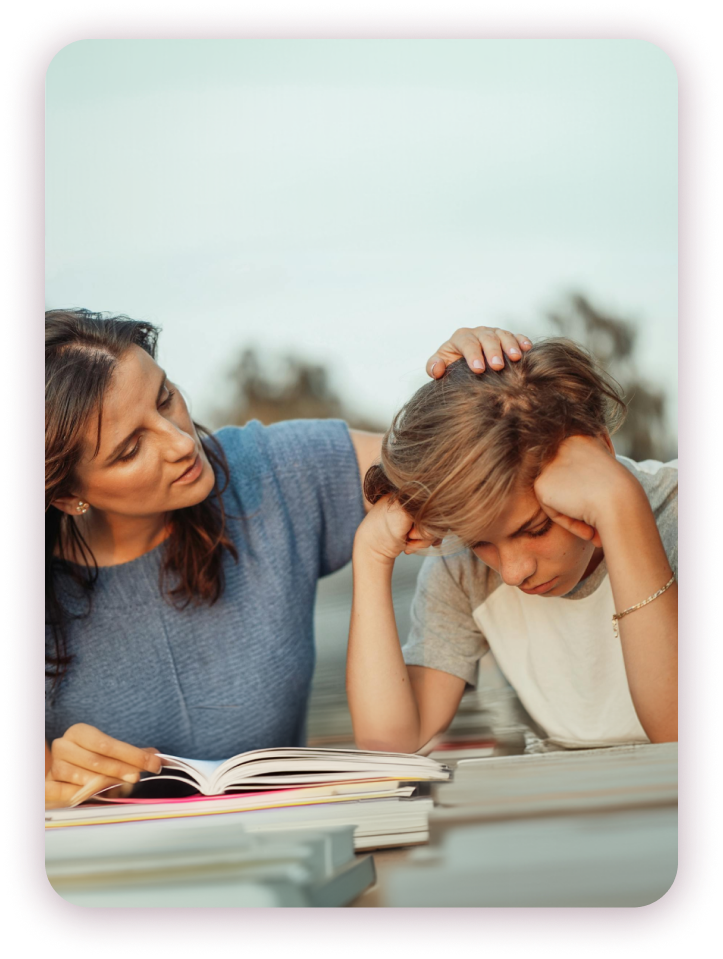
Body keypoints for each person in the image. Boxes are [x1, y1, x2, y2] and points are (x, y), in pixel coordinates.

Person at [44, 309, 532, 807]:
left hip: (289, 850)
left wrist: (482, 389)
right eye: (129, 450)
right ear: (66, 496)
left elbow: (476, 459)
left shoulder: (275, 471)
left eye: (165, 398)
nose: (181, 443)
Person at [346, 338, 677, 754]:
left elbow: (682, 742)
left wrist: (621, 510)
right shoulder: (463, 568)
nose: (512, 571)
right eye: (479, 542)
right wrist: (371, 555)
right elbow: (388, 747)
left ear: (602, 453)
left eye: (535, 529)